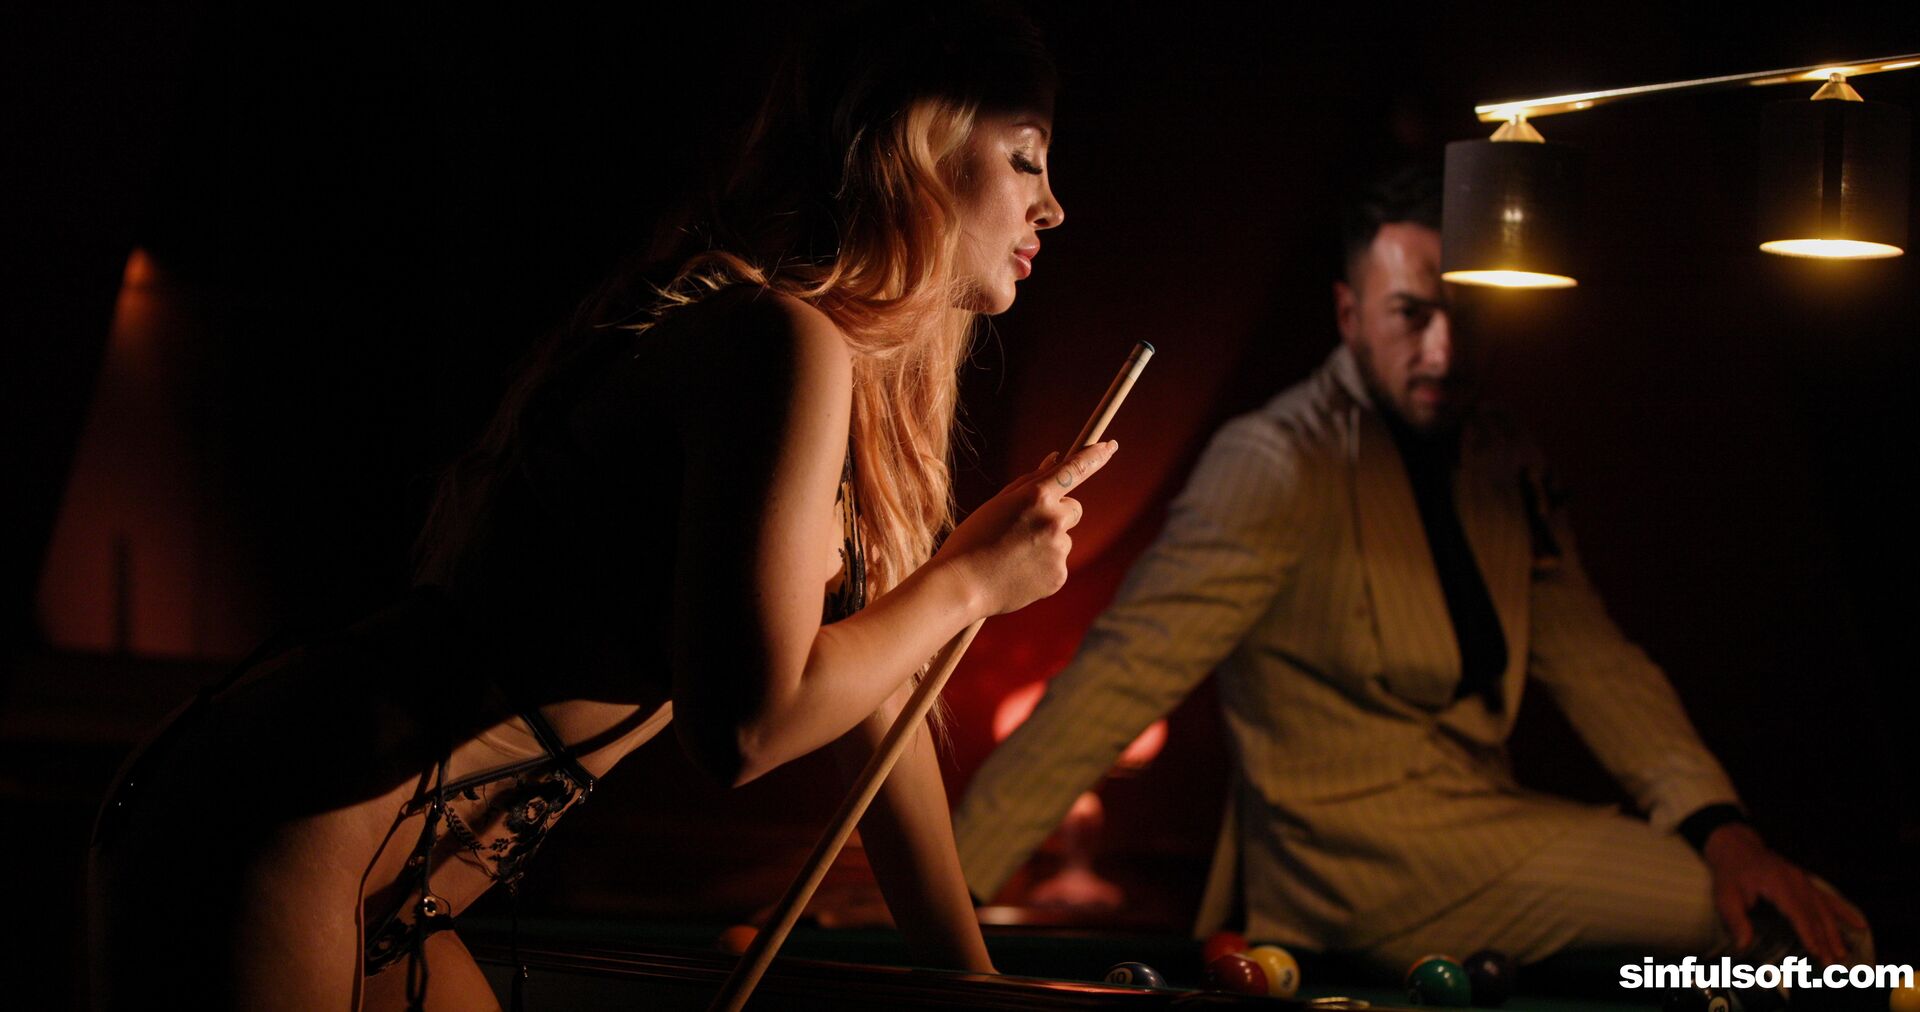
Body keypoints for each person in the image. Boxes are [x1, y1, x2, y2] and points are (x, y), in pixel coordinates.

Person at [87, 6, 1110, 1008]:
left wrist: (979, 986)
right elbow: (747, 729)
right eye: (1026, 159)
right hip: (288, 806)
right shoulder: (774, 339)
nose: (1053, 206)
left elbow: (880, 721)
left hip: (383, 870)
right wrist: (970, 581)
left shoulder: (823, 371)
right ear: (916, 149)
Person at [951, 166, 1867, 975]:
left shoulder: (1501, 455)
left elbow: (1599, 664)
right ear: (1350, 315)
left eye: (1465, 312)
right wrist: (943, 886)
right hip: (1352, 874)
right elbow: (1118, 681)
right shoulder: (1276, 460)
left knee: (1810, 921)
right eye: (1411, 315)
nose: (1444, 351)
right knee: (1793, 931)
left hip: (1485, 834)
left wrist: (1722, 829)